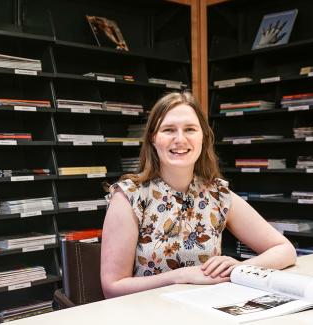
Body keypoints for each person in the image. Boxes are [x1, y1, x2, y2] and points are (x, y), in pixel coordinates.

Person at [101, 91, 296, 298]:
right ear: (153, 138)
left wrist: (239, 268)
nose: (180, 139)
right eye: (168, 130)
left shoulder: (217, 194)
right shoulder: (129, 196)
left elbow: (285, 250)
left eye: (190, 129)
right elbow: (112, 288)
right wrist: (179, 276)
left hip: (207, 311)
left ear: (203, 136)